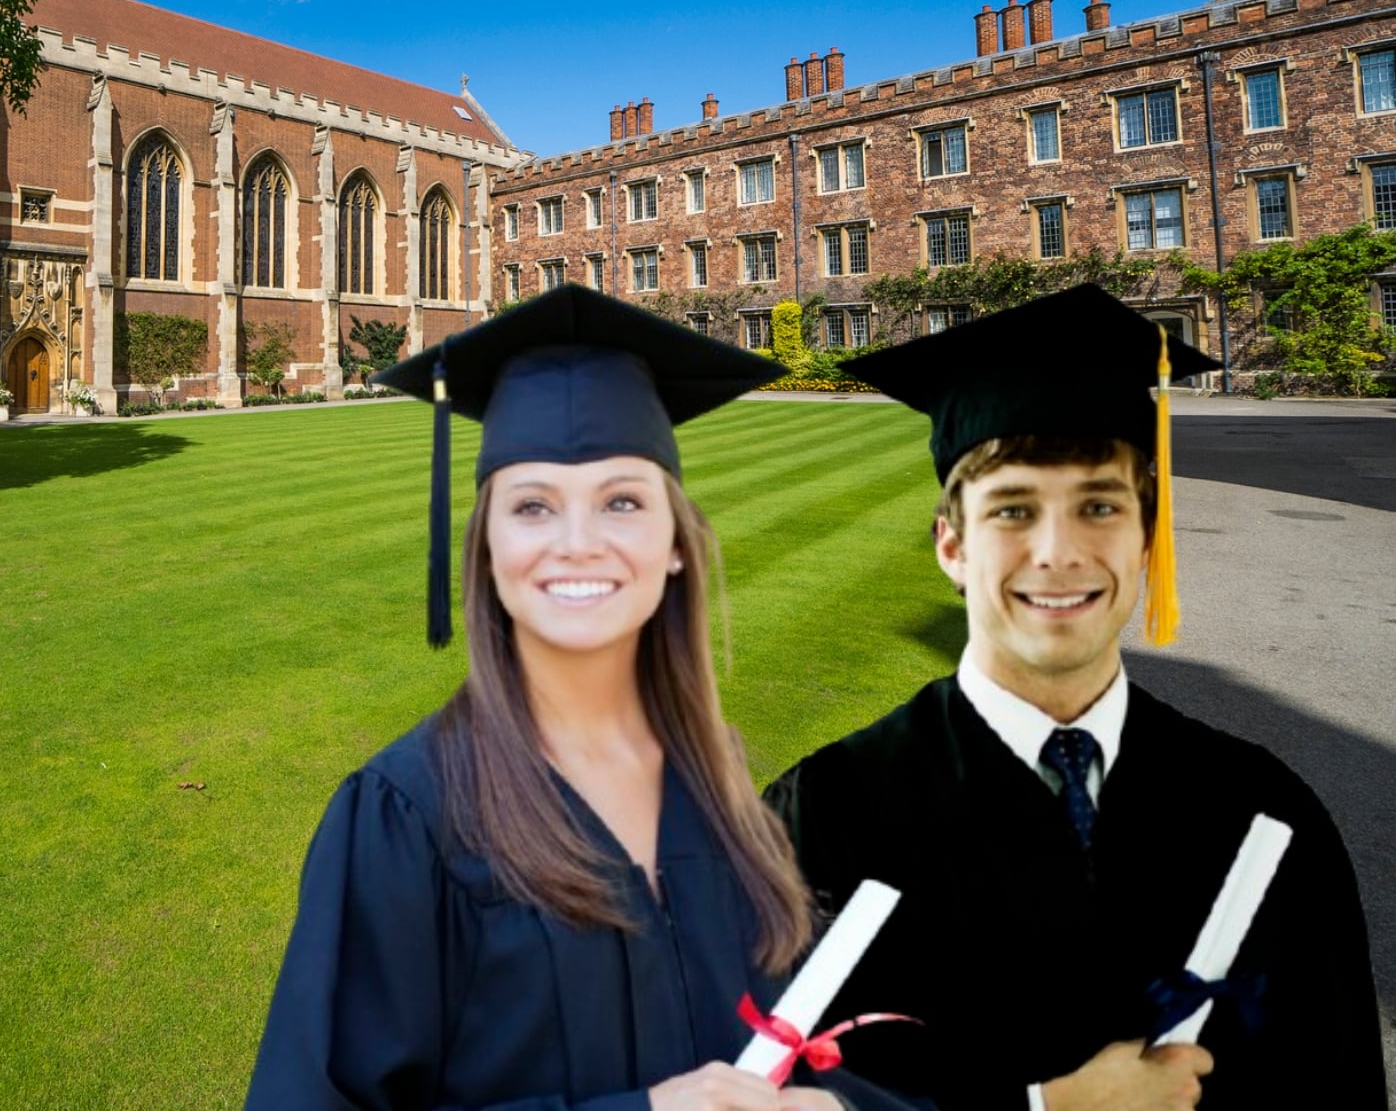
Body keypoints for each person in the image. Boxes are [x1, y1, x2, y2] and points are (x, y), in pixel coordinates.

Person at [246, 287, 921, 1111]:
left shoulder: (720, 789)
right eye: (533, 505)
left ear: (674, 543)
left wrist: (838, 1106)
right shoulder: (404, 820)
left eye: (622, 501)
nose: (577, 542)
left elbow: (783, 1045)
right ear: (486, 544)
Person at [764, 285, 1385, 1110]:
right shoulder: (823, 816)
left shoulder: (1264, 814)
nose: (1057, 553)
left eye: (1099, 506)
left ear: (1147, 534)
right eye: (1013, 509)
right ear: (950, 543)